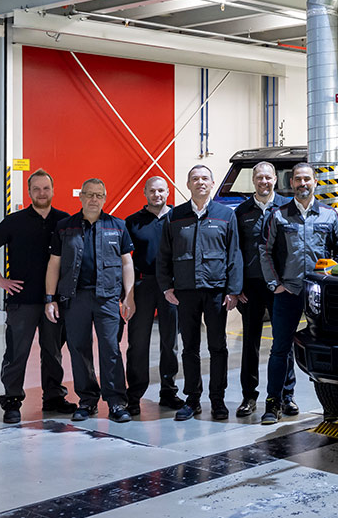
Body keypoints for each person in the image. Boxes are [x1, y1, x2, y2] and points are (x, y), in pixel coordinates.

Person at [0, 169, 77, 423]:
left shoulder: (64, 222)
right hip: (22, 300)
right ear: (29, 191)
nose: (42, 193)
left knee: (53, 350)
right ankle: (12, 401)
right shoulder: (15, 221)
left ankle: (54, 397)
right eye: (37, 189)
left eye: (46, 188)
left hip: (53, 301)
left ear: (53, 190)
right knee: (16, 352)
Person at [260, 163, 338, 424]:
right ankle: (273, 402)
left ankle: (332, 405)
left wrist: (332, 280)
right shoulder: (279, 215)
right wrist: (275, 284)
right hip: (288, 291)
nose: (302, 183)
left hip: (319, 295)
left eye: (306, 179)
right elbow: (265, 252)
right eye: (297, 179)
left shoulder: (329, 215)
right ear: (292, 183)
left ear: (315, 182)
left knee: (326, 349)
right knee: (280, 349)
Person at [45, 178, 136, 423]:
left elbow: (127, 263)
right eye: (89, 194)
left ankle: (116, 401)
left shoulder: (117, 226)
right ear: (81, 196)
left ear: (105, 198)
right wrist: (50, 299)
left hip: (107, 298)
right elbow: (54, 263)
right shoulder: (65, 227)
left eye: (98, 195)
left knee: (111, 349)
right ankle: (87, 400)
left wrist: (129, 296)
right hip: (75, 299)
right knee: (79, 349)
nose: (94, 199)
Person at [157, 165, 243, 422]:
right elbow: (163, 257)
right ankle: (192, 400)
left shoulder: (226, 215)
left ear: (212, 183)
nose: (200, 182)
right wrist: (166, 286)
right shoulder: (175, 217)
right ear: (188, 184)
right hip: (186, 292)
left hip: (216, 291)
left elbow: (234, 255)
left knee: (218, 347)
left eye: (205, 178)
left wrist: (233, 290)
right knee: (189, 348)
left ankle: (218, 400)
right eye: (195, 179)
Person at [234, 162, 293, 418]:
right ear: (253, 180)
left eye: (268, 177)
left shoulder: (286, 208)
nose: (264, 182)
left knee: (283, 342)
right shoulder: (241, 212)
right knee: (250, 343)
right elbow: (234, 252)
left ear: (275, 180)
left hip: (279, 286)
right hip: (252, 286)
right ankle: (249, 396)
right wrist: (237, 286)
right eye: (259, 178)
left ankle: (286, 396)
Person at [123, 176, 184, 415]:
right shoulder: (132, 222)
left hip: (171, 287)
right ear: (145, 193)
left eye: (161, 190)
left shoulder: (178, 218)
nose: (156, 194)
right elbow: (125, 260)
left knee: (171, 342)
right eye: (152, 191)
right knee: (137, 343)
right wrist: (126, 293)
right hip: (143, 286)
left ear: (168, 192)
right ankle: (134, 395)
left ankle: (168, 391)